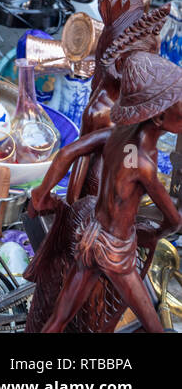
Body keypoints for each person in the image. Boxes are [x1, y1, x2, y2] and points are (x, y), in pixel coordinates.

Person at [27, 50, 182, 333]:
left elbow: (66, 153)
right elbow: (174, 220)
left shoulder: (117, 136)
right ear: (159, 118)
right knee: (154, 325)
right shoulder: (143, 163)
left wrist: (42, 192)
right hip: (116, 253)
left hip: (91, 238)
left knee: (59, 319)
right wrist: (152, 234)